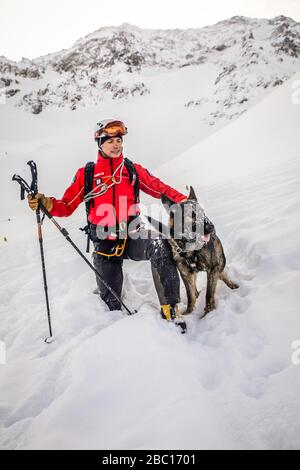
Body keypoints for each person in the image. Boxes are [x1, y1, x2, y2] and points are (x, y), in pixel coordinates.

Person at [28, 119, 188, 330]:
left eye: (119, 140)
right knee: (111, 306)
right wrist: (47, 203)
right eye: (110, 140)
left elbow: (160, 189)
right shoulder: (87, 174)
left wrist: (185, 202)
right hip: (105, 246)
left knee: (159, 244)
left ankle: (170, 309)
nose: (116, 145)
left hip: (133, 237)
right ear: (99, 143)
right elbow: (66, 206)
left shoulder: (132, 170)